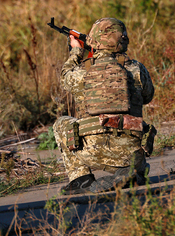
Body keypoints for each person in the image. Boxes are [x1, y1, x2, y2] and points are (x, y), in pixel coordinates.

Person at [53, 17, 156, 195]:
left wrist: (76, 52)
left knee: (61, 123)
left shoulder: (81, 72)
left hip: (90, 152)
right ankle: (133, 170)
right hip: (129, 151)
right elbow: (147, 97)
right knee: (136, 134)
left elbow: (65, 78)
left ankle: (81, 179)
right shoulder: (137, 69)